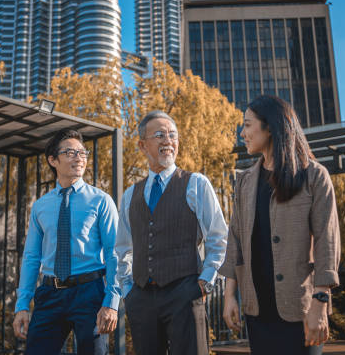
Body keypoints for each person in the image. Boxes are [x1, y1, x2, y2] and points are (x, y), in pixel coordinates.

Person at [220, 95, 341, 355]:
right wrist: (230, 294)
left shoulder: (314, 176)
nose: (242, 133)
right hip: (257, 311)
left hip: (302, 309)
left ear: (271, 127)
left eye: (248, 125)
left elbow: (327, 242)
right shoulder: (244, 181)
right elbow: (236, 239)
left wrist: (320, 301)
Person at [116, 110, 228, 355]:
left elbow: (219, 237)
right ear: (142, 145)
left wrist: (205, 282)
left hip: (185, 293)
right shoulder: (129, 195)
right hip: (141, 297)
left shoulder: (196, 183)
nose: (168, 141)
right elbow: (122, 249)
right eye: (159, 135)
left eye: (172, 135)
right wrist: (128, 290)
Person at [13, 128, 120, 355]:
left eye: (82, 152)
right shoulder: (41, 206)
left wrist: (111, 301)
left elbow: (115, 253)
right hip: (49, 293)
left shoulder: (101, 201)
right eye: (70, 152)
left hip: (90, 293)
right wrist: (22, 305)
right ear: (53, 160)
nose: (79, 157)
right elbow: (32, 257)